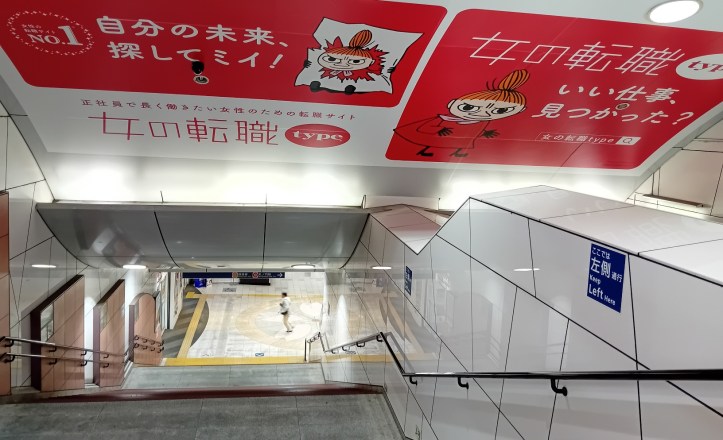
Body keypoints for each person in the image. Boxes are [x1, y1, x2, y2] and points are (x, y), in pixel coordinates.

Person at [393, 69, 530, 157]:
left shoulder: (481, 121)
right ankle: (425, 151)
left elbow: (478, 130)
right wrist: (439, 129)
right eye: (469, 107)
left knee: (461, 144)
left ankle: (457, 152)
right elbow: (425, 127)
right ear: (451, 104)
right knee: (431, 143)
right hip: (441, 136)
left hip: (459, 139)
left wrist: (484, 133)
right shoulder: (446, 119)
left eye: (500, 110)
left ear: (521, 110)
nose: (482, 113)